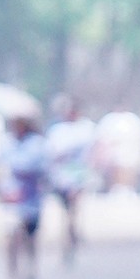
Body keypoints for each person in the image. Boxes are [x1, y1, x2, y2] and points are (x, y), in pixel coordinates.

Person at [0, 109, 49, 279]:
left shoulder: (37, 144)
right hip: (12, 202)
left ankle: (30, 277)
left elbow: (40, 169)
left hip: (31, 201)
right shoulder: (7, 144)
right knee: (12, 240)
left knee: (29, 242)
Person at [43, 95, 95, 262]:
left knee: (74, 206)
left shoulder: (86, 128)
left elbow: (93, 150)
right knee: (66, 210)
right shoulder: (57, 130)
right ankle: (70, 235)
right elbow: (51, 153)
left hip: (79, 173)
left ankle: (71, 237)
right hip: (61, 175)